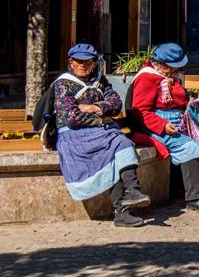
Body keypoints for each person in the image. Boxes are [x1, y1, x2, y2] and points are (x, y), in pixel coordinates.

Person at [52, 43, 150, 227]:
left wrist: (96, 107)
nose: (83, 65)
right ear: (71, 62)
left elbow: (115, 103)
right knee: (112, 154)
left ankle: (132, 192)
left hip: (102, 132)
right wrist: (101, 118)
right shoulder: (63, 84)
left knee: (123, 144)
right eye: (78, 62)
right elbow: (71, 117)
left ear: (94, 64)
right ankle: (122, 210)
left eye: (87, 62)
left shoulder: (100, 80)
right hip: (75, 135)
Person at [128, 43, 199, 211]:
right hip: (152, 127)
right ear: (161, 64)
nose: (175, 70)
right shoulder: (147, 77)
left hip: (176, 123)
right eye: (172, 67)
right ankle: (194, 197)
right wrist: (162, 126)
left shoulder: (169, 76)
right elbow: (140, 111)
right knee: (189, 147)